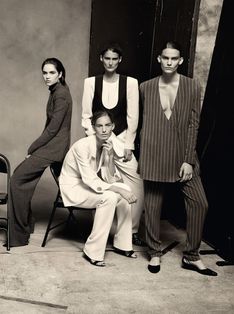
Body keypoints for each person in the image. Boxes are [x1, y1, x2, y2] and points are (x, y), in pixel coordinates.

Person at [138, 41, 217, 276]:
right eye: (165, 58)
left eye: (174, 58)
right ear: (159, 60)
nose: (169, 62)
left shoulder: (192, 87)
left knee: (199, 203)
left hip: (182, 156)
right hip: (153, 154)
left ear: (180, 61)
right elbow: (138, 122)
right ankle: (154, 253)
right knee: (152, 207)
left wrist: (188, 160)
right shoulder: (145, 88)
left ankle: (192, 256)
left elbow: (194, 125)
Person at [81, 43, 144, 246]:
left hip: (123, 140)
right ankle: (104, 230)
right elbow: (86, 117)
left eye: (114, 59)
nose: (110, 62)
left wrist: (128, 144)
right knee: (100, 184)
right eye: (107, 58)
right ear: (101, 59)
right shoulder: (91, 82)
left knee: (136, 184)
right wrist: (98, 140)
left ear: (119, 61)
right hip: (98, 142)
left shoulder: (131, 83)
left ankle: (132, 230)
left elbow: (133, 116)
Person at [59, 110, 137, 267]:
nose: (104, 130)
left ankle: (123, 244)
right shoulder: (82, 146)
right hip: (74, 187)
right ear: (94, 128)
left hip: (87, 184)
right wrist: (119, 191)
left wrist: (109, 158)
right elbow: (90, 179)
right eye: (99, 126)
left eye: (107, 125)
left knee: (123, 186)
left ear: (113, 126)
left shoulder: (107, 145)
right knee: (110, 197)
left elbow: (108, 178)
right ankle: (92, 251)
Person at [8, 58, 72, 247]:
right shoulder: (56, 91)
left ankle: (20, 235)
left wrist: (32, 148)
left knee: (17, 180)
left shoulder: (60, 94)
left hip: (54, 148)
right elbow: (50, 126)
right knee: (20, 178)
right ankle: (26, 225)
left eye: (51, 72)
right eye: (44, 72)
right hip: (51, 146)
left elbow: (53, 129)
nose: (47, 76)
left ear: (60, 74)